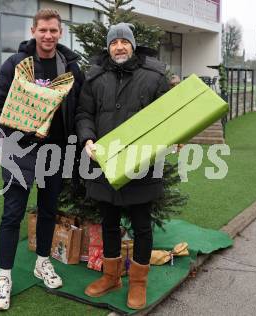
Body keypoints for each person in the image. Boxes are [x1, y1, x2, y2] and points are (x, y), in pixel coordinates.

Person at [0, 9, 83, 310]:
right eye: (43, 30)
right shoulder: (16, 65)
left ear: (60, 32)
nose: (48, 36)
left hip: (55, 153)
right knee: (12, 214)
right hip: (19, 151)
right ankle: (3, 277)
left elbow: (79, 107)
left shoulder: (69, 67)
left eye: (53, 30)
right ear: (33, 31)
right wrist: (26, 134)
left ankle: (43, 262)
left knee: (48, 211)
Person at [75, 23, 169, 309]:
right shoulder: (95, 78)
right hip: (104, 163)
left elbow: (168, 116)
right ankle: (111, 276)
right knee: (109, 223)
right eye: (113, 42)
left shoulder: (154, 77)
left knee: (141, 225)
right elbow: (83, 113)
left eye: (124, 42)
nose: (119, 46)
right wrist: (87, 139)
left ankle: (138, 282)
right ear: (108, 46)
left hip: (142, 165)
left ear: (133, 45)